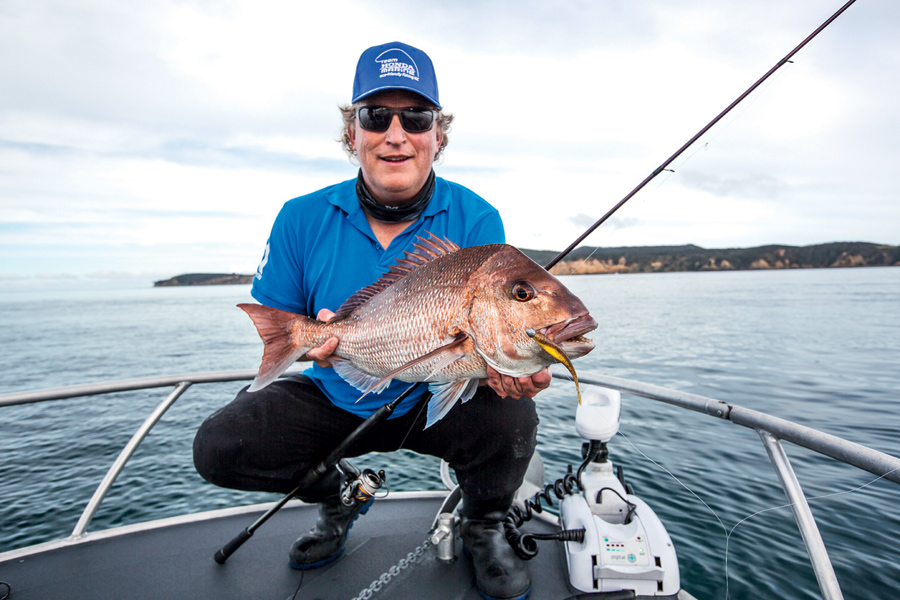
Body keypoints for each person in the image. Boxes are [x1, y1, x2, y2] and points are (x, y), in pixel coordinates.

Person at [193, 41, 550, 600]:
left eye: (417, 116)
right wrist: (313, 338)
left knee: (515, 418)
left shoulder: (476, 216)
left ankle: (484, 525)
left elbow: (487, 324)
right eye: (375, 115)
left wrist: (504, 366)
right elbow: (286, 319)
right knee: (222, 444)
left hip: (436, 390)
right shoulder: (300, 216)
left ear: (438, 135)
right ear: (352, 133)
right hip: (341, 389)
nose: (396, 132)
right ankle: (338, 496)